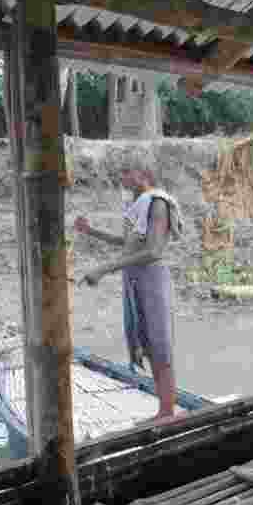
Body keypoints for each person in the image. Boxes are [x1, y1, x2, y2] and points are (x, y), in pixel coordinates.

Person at [74, 168, 185, 425]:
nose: (121, 178)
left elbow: (154, 251)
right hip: (134, 278)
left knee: (159, 342)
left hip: (152, 279)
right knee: (145, 340)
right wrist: (90, 231)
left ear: (144, 174)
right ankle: (163, 410)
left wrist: (104, 269)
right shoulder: (137, 206)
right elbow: (126, 243)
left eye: (127, 173)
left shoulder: (158, 203)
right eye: (120, 173)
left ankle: (167, 412)